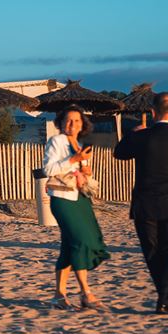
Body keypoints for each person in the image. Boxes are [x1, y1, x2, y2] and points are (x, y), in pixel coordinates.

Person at [114, 91, 168, 315]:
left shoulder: (141, 137)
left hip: (145, 204)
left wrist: (132, 134)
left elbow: (119, 153)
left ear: (152, 112)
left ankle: (164, 297)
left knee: (152, 252)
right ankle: (166, 301)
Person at [43, 107, 109, 310]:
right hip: (62, 199)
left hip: (80, 199)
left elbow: (82, 175)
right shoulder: (56, 141)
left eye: (77, 121)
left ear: (83, 124)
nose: (73, 125)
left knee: (69, 246)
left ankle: (59, 296)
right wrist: (73, 160)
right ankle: (86, 293)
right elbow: (48, 169)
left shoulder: (80, 145)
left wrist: (86, 171)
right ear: (61, 123)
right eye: (69, 120)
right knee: (80, 242)